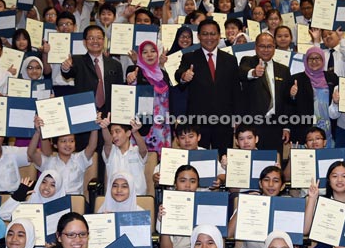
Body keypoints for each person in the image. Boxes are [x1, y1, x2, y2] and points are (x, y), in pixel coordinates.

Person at [175, 20, 242, 153]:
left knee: (224, 159)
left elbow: (236, 91)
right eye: (205, 34)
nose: (209, 38)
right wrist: (184, 76)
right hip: (198, 121)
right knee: (199, 161)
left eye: (213, 34)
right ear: (199, 36)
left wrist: (238, 117)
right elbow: (179, 74)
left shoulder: (230, 59)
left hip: (224, 120)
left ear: (219, 36)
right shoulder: (189, 57)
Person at [239, 33, 292, 153]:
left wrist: (286, 126)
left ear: (274, 48)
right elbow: (242, 72)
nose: (266, 50)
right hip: (252, 125)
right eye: (262, 46)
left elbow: (286, 101)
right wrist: (253, 73)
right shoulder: (247, 61)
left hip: (276, 125)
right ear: (256, 47)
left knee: (273, 162)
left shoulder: (283, 70)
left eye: (269, 46)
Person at [61, 25, 124, 116]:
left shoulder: (115, 64)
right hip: (85, 110)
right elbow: (67, 74)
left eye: (99, 38)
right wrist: (65, 68)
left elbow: (119, 90)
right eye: (91, 38)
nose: (95, 41)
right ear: (84, 42)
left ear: (104, 41)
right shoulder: (77, 60)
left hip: (109, 113)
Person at [125, 40, 172, 155]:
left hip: (162, 125)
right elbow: (130, 88)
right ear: (140, 55)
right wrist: (131, 79)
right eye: (145, 52)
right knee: (140, 160)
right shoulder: (136, 71)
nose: (150, 55)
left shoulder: (163, 73)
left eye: (153, 51)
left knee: (159, 163)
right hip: (144, 126)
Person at [289, 47, 339, 145]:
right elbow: (289, 106)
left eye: (318, 58)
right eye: (311, 58)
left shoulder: (332, 77)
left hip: (328, 127)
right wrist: (292, 96)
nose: (314, 61)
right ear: (306, 61)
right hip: (304, 128)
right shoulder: (296, 79)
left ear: (323, 60)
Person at [0, 170, 66, 220]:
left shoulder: (62, 212)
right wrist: (17, 197)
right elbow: (2, 214)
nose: (46, 187)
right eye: (44, 182)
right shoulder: (28, 204)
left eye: (52, 185)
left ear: (58, 189)